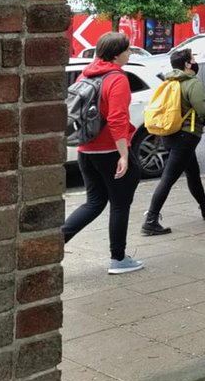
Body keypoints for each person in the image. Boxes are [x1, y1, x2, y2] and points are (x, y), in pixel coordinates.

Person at [62, 32, 144, 274]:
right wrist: (124, 155)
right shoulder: (117, 79)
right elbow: (118, 119)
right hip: (109, 150)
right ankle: (118, 259)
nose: (130, 54)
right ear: (117, 55)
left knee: (94, 202)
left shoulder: (87, 73)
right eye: (127, 50)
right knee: (120, 204)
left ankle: (54, 243)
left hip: (85, 149)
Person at [140, 48, 205, 236]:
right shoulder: (192, 83)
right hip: (185, 136)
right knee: (168, 178)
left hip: (169, 133)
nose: (195, 62)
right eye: (192, 59)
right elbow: (203, 110)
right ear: (187, 64)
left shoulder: (170, 81)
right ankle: (151, 220)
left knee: (193, 172)